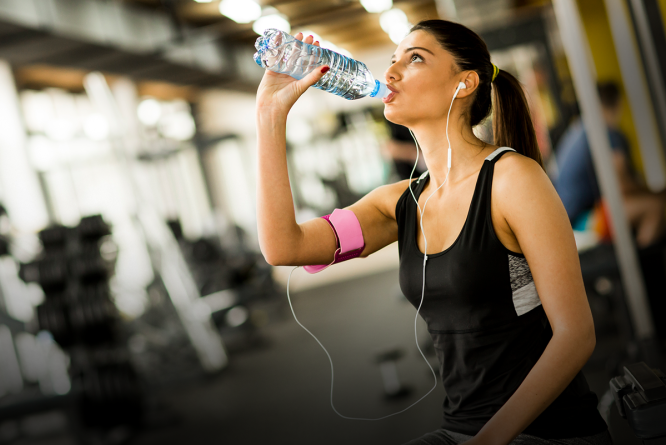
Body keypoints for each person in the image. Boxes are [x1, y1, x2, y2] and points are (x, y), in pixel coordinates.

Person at [255, 19, 612, 445]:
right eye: (392, 61)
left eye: (415, 59)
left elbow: (576, 336)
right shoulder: (399, 203)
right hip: (460, 430)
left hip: (549, 432)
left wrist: (486, 442)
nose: (390, 73)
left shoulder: (513, 179)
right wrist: (269, 115)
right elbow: (283, 247)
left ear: (464, 83)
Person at [554, 81, 666, 248]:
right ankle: (642, 267)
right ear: (617, 104)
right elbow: (623, 187)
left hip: (567, 220)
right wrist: (654, 193)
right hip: (581, 221)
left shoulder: (579, 128)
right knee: (657, 208)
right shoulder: (606, 132)